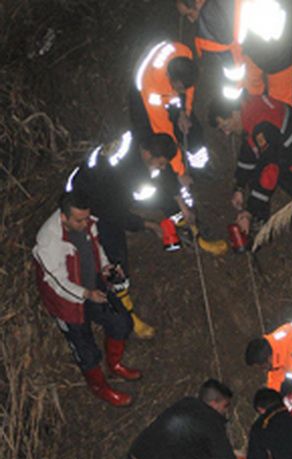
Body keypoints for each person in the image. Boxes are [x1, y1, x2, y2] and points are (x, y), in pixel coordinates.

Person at [210, 90, 292, 290]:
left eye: (225, 125)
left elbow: (269, 168)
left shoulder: (261, 124)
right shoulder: (252, 112)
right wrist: (239, 186)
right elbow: (250, 153)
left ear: (234, 112)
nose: (226, 132)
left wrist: (251, 210)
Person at [65, 131, 184, 338]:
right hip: (85, 204)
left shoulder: (137, 141)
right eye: (161, 163)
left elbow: (154, 187)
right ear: (147, 155)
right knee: (116, 257)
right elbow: (115, 214)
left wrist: (178, 210)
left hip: (92, 186)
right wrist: (148, 225)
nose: (163, 167)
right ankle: (125, 309)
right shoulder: (125, 175)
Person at [33, 191, 140, 407]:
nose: (85, 223)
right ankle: (100, 388)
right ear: (64, 218)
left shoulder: (86, 221)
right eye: (79, 220)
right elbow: (58, 283)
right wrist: (86, 294)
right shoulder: (48, 241)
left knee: (121, 322)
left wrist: (105, 267)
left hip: (92, 285)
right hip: (67, 302)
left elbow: (95, 247)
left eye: (87, 218)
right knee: (86, 352)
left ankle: (115, 364)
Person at [177, 0, 292, 106]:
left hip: (280, 49)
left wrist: (231, 100)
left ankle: (285, 126)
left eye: (190, 14)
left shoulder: (212, 19)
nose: (191, 20)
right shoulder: (218, 10)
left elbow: (233, 67)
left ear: (198, 1)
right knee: (251, 81)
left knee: (280, 104)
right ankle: (258, 103)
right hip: (270, 33)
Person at [129, 40, 209, 185]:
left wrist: (185, 112)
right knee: (153, 139)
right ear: (171, 79)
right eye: (179, 89)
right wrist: (180, 171)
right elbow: (164, 130)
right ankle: (168, 178)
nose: (182, 92)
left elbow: (188, 89)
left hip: (165, 86)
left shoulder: (185, 52)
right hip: (142, 95)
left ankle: (200, 170)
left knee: (191, 126)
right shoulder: (152, 87)